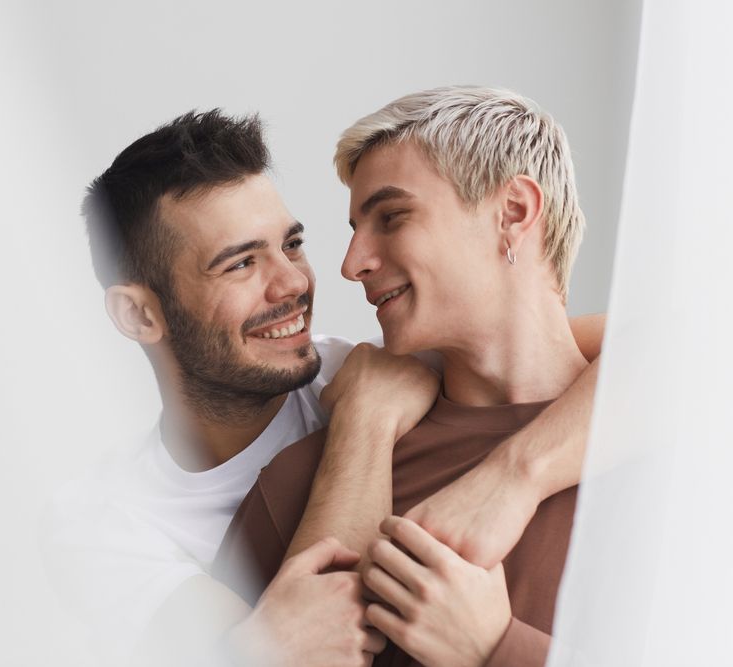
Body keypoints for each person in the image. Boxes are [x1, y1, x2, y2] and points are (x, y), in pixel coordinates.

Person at [41, 108, 603, 666]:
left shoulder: (384, 367)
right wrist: (366, 421)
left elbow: (660, 349)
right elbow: (306, 649)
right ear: (140, 317)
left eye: (291, 245)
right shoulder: (105, 525)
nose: (295, 282)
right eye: (239, 264)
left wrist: (513, 478)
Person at [212, 86, 596, 667]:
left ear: (513, 212)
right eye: (355, 227)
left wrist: (497, 650)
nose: (350, 264)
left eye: (391, 217)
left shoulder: (689, 455)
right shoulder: (297, 485)